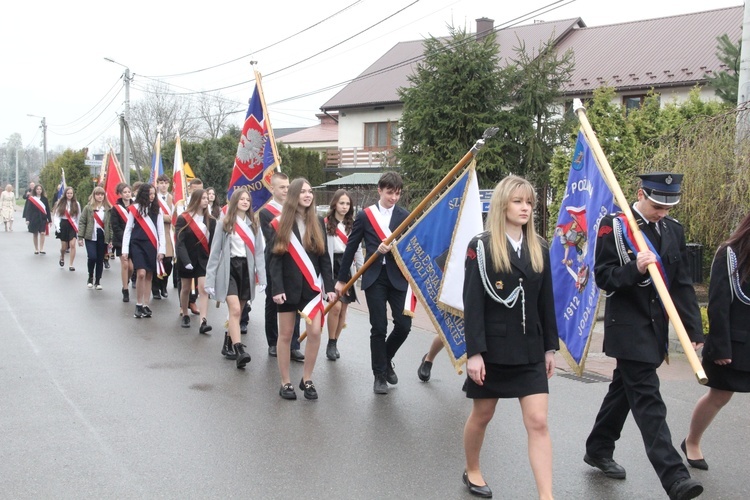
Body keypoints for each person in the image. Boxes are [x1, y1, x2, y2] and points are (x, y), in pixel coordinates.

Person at [583, 173, 705, 500]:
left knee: (623, 390)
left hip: (655, 329)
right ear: (640, 194)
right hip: (628, 328)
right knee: (649, 401)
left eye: (668, 206)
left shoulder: (673, 230)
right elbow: (604, 277)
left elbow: (680, 285)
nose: (662, 212)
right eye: (656, 205)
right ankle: (675, 477)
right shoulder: (616, 225)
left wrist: (693, 329)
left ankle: (598, 447)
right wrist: (634, 268)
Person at [461, 175, 558, 499]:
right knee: (482, 415)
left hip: (530, 349)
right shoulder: (482, 246)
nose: (525, 208)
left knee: (538, 421)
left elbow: (547, 302)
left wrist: (549, 349)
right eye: (518, 201)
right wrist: (474, 352)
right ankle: (472, 469)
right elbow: (473, 302)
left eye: (529, 202)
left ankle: (547, 495)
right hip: (493, 351)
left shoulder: (540, 246)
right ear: (503, 204)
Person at [335, 171, 412, 394]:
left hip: (398, 279)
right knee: (379, 327)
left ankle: (386, 358)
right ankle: (379, 375)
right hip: (375, 277)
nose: (394, 198)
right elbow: (351, 247)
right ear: (380, 190)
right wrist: (341, 280)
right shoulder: (365, 216)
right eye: (390, 193)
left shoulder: (405, 215)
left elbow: (411, 248)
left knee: (404, 326)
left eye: (397, 193)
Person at [684, 211, 750, 471]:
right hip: (736, 343)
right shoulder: (730, 253)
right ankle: (692, 441)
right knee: (719, 396)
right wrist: (721, 347)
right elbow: (718, 305)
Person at [270, 178, 335, 400]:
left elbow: (324, 257)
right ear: (294, 196)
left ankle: (306, 378)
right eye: (303, 192)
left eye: (310, 191)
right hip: (287, 288)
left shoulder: (318, 221)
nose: (308, 195)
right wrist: (276, 288)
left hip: (311, 288)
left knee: (315, 332)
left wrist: (330, 286)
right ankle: (285, 381)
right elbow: (275, 260)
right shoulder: (280, 223)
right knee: (286, 335)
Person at [205, 189, 265, 368]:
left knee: (238, 310)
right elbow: (215, 253)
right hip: (229, 269)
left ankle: (227, 343)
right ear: (235, 201)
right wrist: (209, 280)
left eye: (248, 199)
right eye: (242, 199)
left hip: (246, 270)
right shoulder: (224, 223)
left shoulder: (254, 224)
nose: (245, 202)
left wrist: (262, 278)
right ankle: (239, 349)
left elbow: (260, 253)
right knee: (236, 310)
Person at [258, 172, 305, 362]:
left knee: (295, 301)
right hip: (275, 262)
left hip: (296, 263)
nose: (286, 190)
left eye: (288, 187)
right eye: (282, 187)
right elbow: (273, 240)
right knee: (273, 301)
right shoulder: (265, 212)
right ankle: (273, 342)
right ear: (272, 188)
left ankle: (294, 344)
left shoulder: (295, 209)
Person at [324, 189, 363, 361]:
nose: (345, 206)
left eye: (347, 203)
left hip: (347, 268)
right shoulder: (325, 223)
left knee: (343, 309)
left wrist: (361, 270)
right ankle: (330, 341)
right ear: (334, 204)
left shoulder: (353, 225)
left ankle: (335, 342)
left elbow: (358, 249)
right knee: (335, 306)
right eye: (341, 203)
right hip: (331, 266)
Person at [122, 183, 166, 318]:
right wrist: (125, 249)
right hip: (137, 244)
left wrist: (162, 249)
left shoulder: (157, 210)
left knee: (149, 275)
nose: (152, 196)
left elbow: (161, 231)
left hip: (152, 244)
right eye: (149, 194)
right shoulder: (134, 209)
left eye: (154, 194)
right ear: (143, 194)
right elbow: (128, 229)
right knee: (140, 273)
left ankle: (146, 305)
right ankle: (138, 304)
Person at [175, 189, 215, 333]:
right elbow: (180, 243)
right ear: (195, 200)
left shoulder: (210, 220)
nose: (206, 200)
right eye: (203, 198)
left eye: (206, 198)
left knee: (204, 289)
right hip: (187, 259)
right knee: (185, 288)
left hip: (204, 260)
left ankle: (203, 321)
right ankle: (185, 313)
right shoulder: (183, 218)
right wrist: (185, 260)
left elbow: (214, 243)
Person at [77, 187, 112, 290]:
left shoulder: (108, 209)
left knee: (100, 259)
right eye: (98, 194)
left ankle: (98, 281)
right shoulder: (88, 208)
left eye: (102, 194)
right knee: (92, 257)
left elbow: (110, 225)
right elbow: (82, 222)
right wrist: (80, 237)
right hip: (90, 236)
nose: (100, 196)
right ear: (94, 195)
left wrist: (110, 239)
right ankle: (90, 276)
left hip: (102, 236)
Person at [151, 175, 175, 301]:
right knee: (156, 262)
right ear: (158, 184)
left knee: (168, 263)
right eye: (161, 183)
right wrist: (167, 218)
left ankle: (163, 285)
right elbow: (155, 214)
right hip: (157, 233)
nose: (163, 185)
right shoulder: (154, 199)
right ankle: (155, 289)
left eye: (166, 183)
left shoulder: (173, 198)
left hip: (170, 234)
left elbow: (176, 214)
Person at [110, 183, 134, 302]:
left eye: (129, 192)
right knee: (125, 265)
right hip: (121, 240)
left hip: (133, 241)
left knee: (131, 267)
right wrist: (124, 238)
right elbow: (115, 226)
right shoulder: (115, 208)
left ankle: (127, 280)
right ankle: (125, 289)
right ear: (120, 194)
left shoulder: (135, 206)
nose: (127, 194)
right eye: (125, 192)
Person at [52, 187, 81, 271]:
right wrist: (57, 226)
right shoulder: (61, 203)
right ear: (65, 194)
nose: (69, 195)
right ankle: (62, 256)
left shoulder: (76, 204)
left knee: (72, 245)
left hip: (72, 225)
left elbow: (78, 217)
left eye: (71, 193)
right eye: (68, 193)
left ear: (73, 194)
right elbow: (57, 216)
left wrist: (79, 229)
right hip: (63, 225)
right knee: (64, 247)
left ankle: (71, 264)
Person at [22, 183, 51, 254]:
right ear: (35, 190)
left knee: (42, 233)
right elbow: (28, 210)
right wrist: (27, 219)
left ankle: (41, 248)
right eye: (37, 189)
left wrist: (50, 220)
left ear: (42, 190)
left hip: (43, 218)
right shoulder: (31, 199)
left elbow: (47, 209)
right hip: (34, 218)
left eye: (40, 189)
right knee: (35, 233)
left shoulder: (44, 199)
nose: (39, 190)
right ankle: (36, 248)